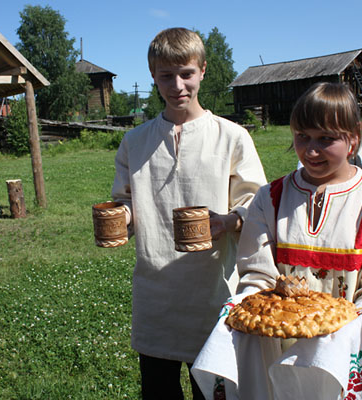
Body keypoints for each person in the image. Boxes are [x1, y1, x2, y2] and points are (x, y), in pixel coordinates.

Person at [219, 82, 362, 398]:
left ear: (353, 139)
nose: (311, 151)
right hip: (276, 351)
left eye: (326, 139)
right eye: (302, 137)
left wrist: (350, 328)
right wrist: (246, 304)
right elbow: (257, 274)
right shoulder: (269, 199)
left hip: (346, 356)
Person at [111, 27, 267, 399]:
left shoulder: (230, 136)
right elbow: (125, 200)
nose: (177, 85)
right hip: (155, 293)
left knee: (212, 392)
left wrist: (228, 221)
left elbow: (256, 204)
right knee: (159, 390)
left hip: (212, 291)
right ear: (153, 77)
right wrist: (122, 218)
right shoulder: (135, 142)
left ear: (202, 71)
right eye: (166, 76)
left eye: (186, 73)